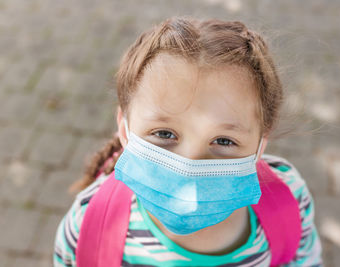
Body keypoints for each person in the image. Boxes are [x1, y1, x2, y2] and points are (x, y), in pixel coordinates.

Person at [54, 16, 323, 266]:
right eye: (165, 134)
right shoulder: (88, 225)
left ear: (260, 146)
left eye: (224, 140)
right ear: (124, 130)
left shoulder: (289, 199)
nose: (188, 165)